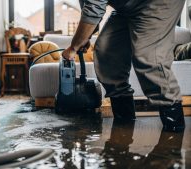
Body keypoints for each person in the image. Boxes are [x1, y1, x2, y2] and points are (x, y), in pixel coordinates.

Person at [62, 0, 186, 132]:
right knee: (106, 52)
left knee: (149, 59)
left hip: (157, 3)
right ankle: (124, 127)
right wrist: (86, 37)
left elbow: (94, 7)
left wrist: (73, 47)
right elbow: (89, 5)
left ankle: (174, 135)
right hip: (127, 7)